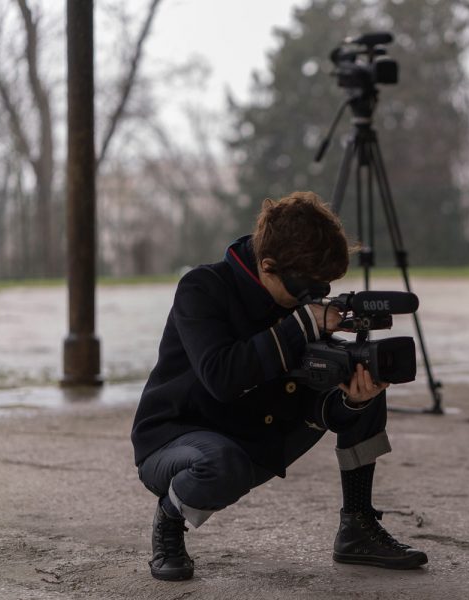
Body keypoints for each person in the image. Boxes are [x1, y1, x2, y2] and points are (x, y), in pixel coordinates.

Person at [130, 191, 428, 581]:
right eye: (309, 289)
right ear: (267, 266)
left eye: (323, 288)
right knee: (222, 464)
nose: (316, 298)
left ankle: (357, 526)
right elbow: (222, 377)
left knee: (362, 379)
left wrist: (353, 402)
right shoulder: (202, 288)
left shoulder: (295, 304)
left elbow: (313, 405)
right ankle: (170, 520)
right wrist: (304, 323)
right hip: (178, 442)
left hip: (258, 436)